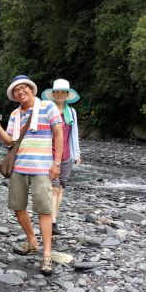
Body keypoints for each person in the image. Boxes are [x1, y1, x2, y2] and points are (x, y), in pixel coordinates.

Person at [0, 75, 63, 274]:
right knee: (17, 207)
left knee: (44, 210)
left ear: (32, 90)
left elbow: (58, 134)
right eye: (16, 90)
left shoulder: (48, 107)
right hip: (19, 168)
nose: (20, 92)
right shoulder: (15, 114)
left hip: (42, 168)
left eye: (23, 88)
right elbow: (9, 142)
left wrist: (57, 162)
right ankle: (32, 241)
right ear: (14, 95)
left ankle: (47, 255)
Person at [42, 78, 81, 235]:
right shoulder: (47, 110)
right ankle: (52, 221)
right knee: (53, 188)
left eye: (63, 92)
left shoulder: (71, 112)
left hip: (66, 154)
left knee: (60, 189)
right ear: (53, 94)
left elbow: (74, 133)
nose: (60, 95)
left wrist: (76, 153)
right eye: (57, 92)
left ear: (67, 94)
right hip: (49, 155)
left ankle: (53, 217)